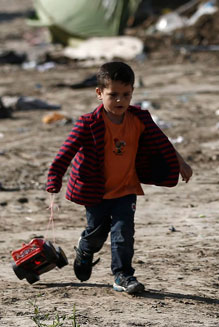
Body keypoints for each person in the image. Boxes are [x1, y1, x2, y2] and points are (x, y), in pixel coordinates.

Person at [46, 60, 192, 295]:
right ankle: (85, 249)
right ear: (99, 93)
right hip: (95, 191)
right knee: (97, 233)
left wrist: (180, 162)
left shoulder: (140, 119)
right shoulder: (88, 123)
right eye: (113, 95)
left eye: (125, 94)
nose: (119, 101)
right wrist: (54, 179)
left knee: (123, 232)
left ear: (132, 92)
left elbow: (161, 142)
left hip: (126, 188)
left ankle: (123, 275)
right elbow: (65, 152)